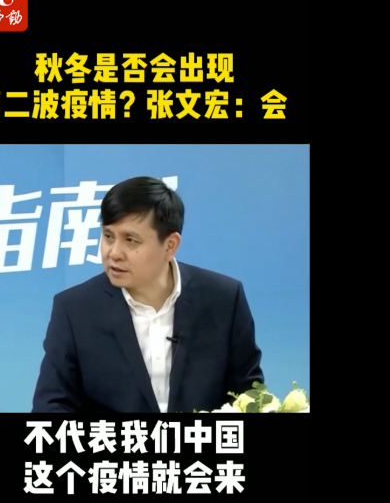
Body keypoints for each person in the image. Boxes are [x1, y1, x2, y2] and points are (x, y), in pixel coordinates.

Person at [31, 176, 264, 413]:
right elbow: (51, 406)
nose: (114, 253)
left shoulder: (224, 299)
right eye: (108, 236)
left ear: (170, 245)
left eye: (130, 240)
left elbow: (250, 395)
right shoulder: (74, 310)